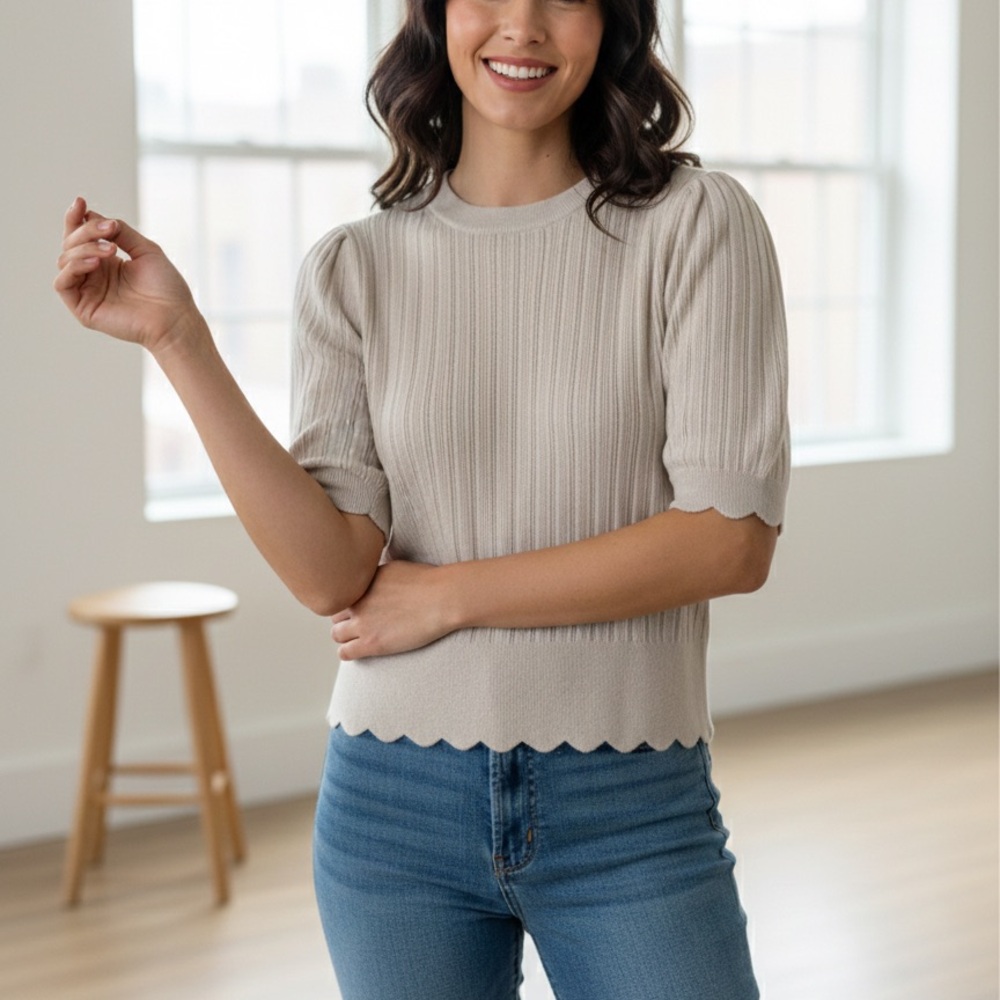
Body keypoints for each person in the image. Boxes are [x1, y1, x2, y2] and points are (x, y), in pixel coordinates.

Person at [55, 0, 789, 996]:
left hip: (630, 801)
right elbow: (332, 574)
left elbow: (727, 542)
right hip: (390, 806)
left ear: (612, 20)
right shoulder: (355, 266)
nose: (520, 26)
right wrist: (176, 339)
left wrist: (447, 595)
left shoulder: (697, 226)